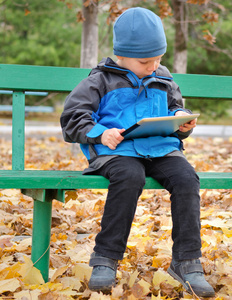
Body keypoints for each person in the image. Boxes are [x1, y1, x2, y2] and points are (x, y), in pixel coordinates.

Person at [60, 7, 215, 297]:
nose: (153, 66)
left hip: (160, 149)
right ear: (121, 56)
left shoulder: (163, 78)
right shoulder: (100, 81)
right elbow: (73, 117)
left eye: (158, 59)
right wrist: (100, 132)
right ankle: (105, 259)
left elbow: (174, 109)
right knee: (129, 177)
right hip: (117, 152)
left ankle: (187, 261)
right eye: (146, 61)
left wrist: (183, 122)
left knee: (186, 178)